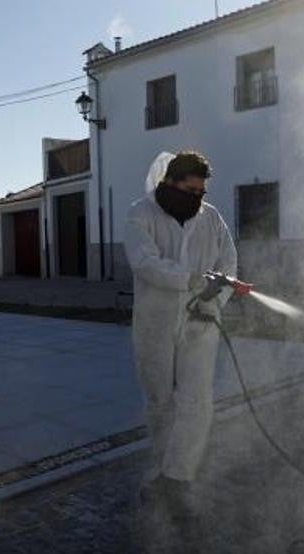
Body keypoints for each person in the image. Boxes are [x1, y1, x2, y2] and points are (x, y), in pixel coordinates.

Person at [125, 150, 237, 517]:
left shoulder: (212, 218)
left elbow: (229, 266)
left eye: (201, 192)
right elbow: (144, 263)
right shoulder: (141, 213)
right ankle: (159, 471)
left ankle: (178, 479)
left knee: (197, 403)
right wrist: (190, 279)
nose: (197, 198)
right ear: (170, 183)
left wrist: (213, 299)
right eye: (190, 190)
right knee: (161, 403)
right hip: (155, 325)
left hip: (201, 323)